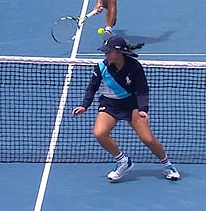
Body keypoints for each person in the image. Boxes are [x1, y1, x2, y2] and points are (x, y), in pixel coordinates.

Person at [72, 35, 180, 182]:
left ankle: (167, 164)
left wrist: (143, 109)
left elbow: (142, 89)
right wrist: (84, 105)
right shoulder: (101, 67)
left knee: (147, 139)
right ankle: (123, 162)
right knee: (99, 133)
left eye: (108, 51)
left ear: (119, 52)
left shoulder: (134, 66)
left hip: (131, 106)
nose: (105, 54)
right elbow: (92, 88)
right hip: (109, 105)